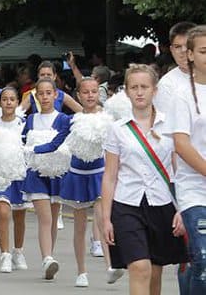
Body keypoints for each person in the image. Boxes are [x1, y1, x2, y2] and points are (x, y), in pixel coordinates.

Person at [102, 64, 188, 295]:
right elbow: (110, 176)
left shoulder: (171, 125)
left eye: (144, 87)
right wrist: (105, 218)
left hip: (162, 204)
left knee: (155, 271)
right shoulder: (118, 129)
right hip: (127, 204)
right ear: (127, 92)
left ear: (155, 90)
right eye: (134, 87)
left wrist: (183, 208)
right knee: (140, 267)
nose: (139, 92)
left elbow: (180, 170)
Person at [48, 77, 118, 286]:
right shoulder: (72, 121)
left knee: (102, 218)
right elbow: (57, 143)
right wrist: (35, 150)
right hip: (77, 175)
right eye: (85, 92)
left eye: (94, 92)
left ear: (99, 94)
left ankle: (110, 266)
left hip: (99, 174)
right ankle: (81, 272)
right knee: (79, 226)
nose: (90, 96)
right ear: (79, 95)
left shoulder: (108, 120)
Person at [167, 25, 206, 295]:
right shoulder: (180, 93)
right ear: (190, 54)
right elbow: (181, 144)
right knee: (203, 259)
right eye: (204, 51)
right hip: (194, 190)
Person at [22, 78, 71, 280]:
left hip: (57, 172)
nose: (44, 97)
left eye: (48, 93)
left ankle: (50, 255)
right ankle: (47, 258)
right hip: (36, 173)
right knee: (45, 218)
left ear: (56, 95)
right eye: (41, 93)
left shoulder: (63, 119)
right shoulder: (31, 119)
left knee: (52, 216)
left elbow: (61, 143)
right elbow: (23, 141)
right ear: (36, 96)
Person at [0, 87, 30, 274]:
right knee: (3, 212)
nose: (9, 102)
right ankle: (5, 254)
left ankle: (18, 251)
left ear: (17, 102)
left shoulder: (24, 123)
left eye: (12, 99)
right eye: (5, 99)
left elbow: (30, 145)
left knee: (19, 214)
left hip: (19, 174)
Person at [155, 21, 196, 126]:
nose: (183, 51)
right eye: (178, 47)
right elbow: (166, 127)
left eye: (187, 45)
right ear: (172, 50)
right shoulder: (167, 85)